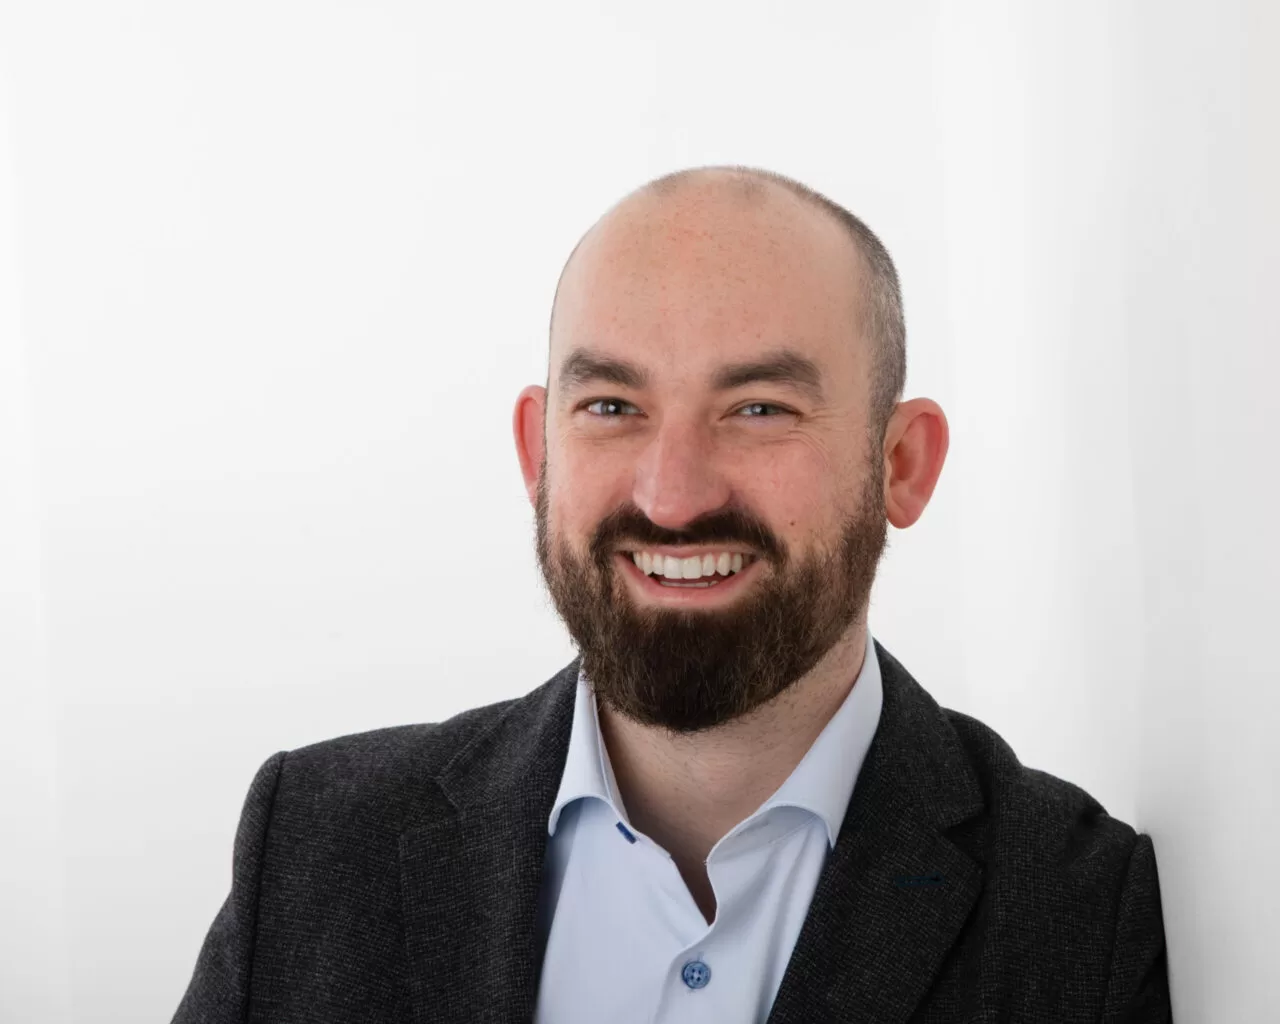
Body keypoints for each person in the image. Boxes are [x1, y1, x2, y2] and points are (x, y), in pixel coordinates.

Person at [172, 166, 1172, 1023]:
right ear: (538, 451)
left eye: (757, 408)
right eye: (611, 406)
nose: (673, 494)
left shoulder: (1076, 915)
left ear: (901, 463)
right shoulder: (315, 845)